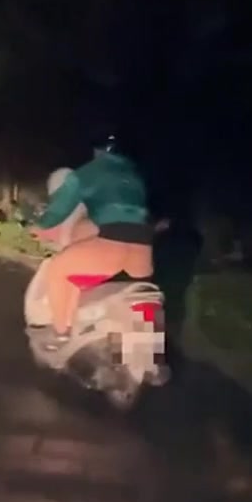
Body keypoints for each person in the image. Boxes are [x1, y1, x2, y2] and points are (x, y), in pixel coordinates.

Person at [32, 134, 154, 349]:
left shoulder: (85, 174)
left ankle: (60, 335)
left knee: (58, 270)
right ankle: (152, 353)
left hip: (113, 243)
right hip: (143, 247)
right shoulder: (134, 174)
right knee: (144, 293)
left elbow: (59, 210)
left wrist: (40, 226)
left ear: (96, 150)